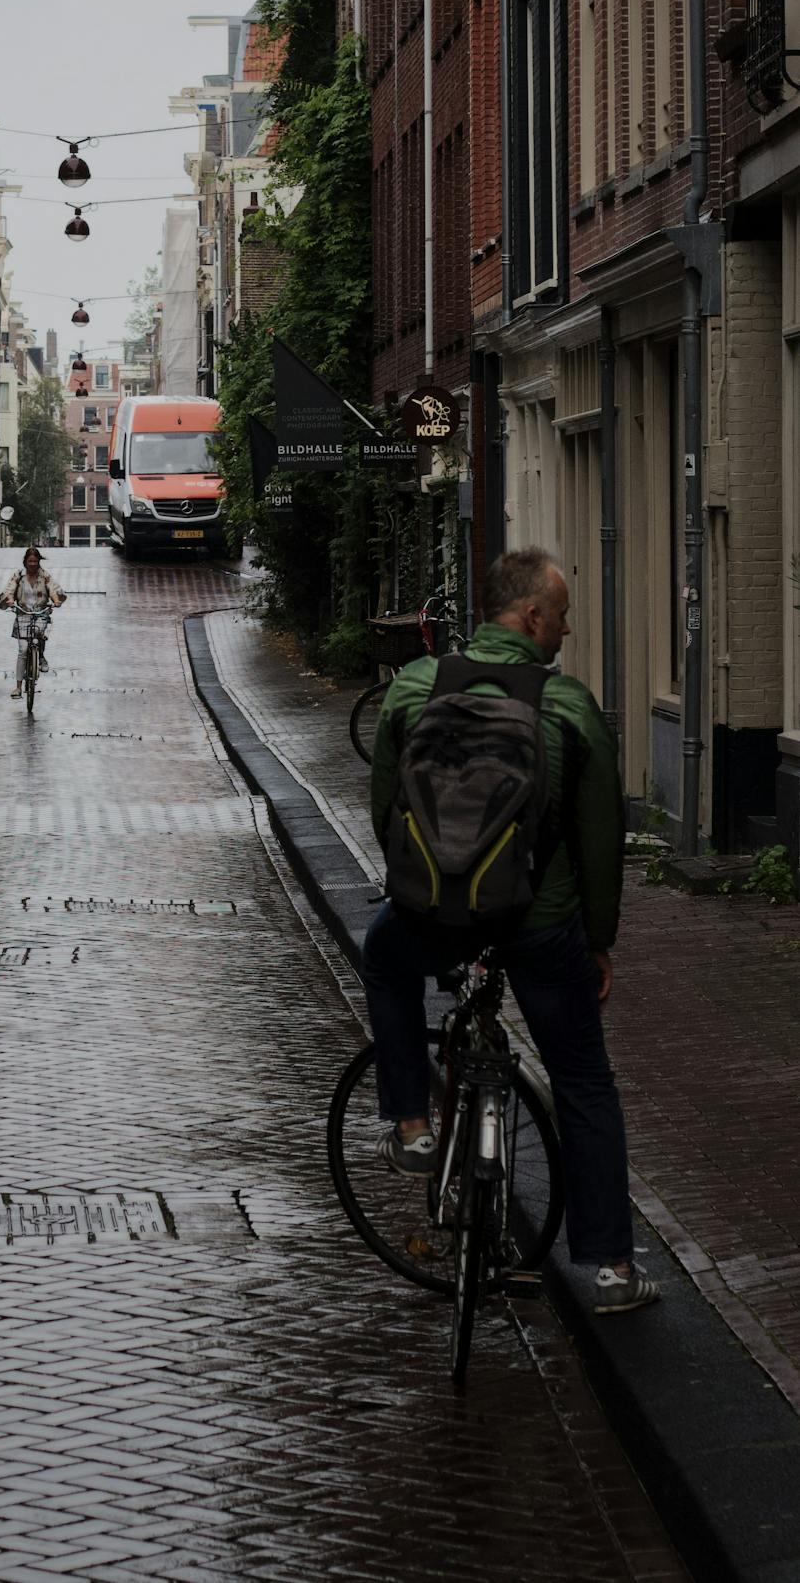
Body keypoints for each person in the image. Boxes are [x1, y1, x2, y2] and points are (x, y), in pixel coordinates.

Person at [365, 546, 659, 1314]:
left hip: (435, 914)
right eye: (560, 617)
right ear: (532, 616)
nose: (563, 632)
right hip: (541, 923)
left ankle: (414, 1124)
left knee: (382, 954)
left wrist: (423, 890)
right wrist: (599, 941)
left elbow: (385, 809)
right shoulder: (569, 707)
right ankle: (612, 1271)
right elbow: (601, 843)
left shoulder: (414, 689)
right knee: (584, 1081)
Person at [0, 547, 66, 700]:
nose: (33, 564)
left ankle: (40, 656)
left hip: (40, 613)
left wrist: (56, 600)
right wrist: (9, 599)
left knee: (39, 634)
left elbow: (53, 589)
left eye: (35, 561)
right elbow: (9, 589)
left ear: (38, 562)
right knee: (22, 650)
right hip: (23, 614)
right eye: (30, 561)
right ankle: (18, 687)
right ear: (25, 562)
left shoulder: (44, 576)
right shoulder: (18, 576)